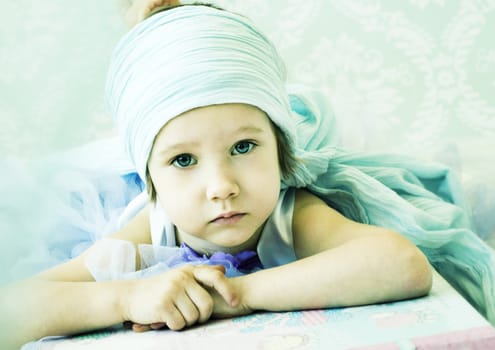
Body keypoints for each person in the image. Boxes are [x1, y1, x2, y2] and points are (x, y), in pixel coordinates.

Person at [2, 1, 494, 349]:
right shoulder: (151, 227)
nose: (222, 187)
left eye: (243, 147)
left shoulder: (286, 212)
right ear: (148, 177)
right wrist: (129, 296)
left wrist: (235, 295)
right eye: (183, 161)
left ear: (280, 150)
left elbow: (400, 263)